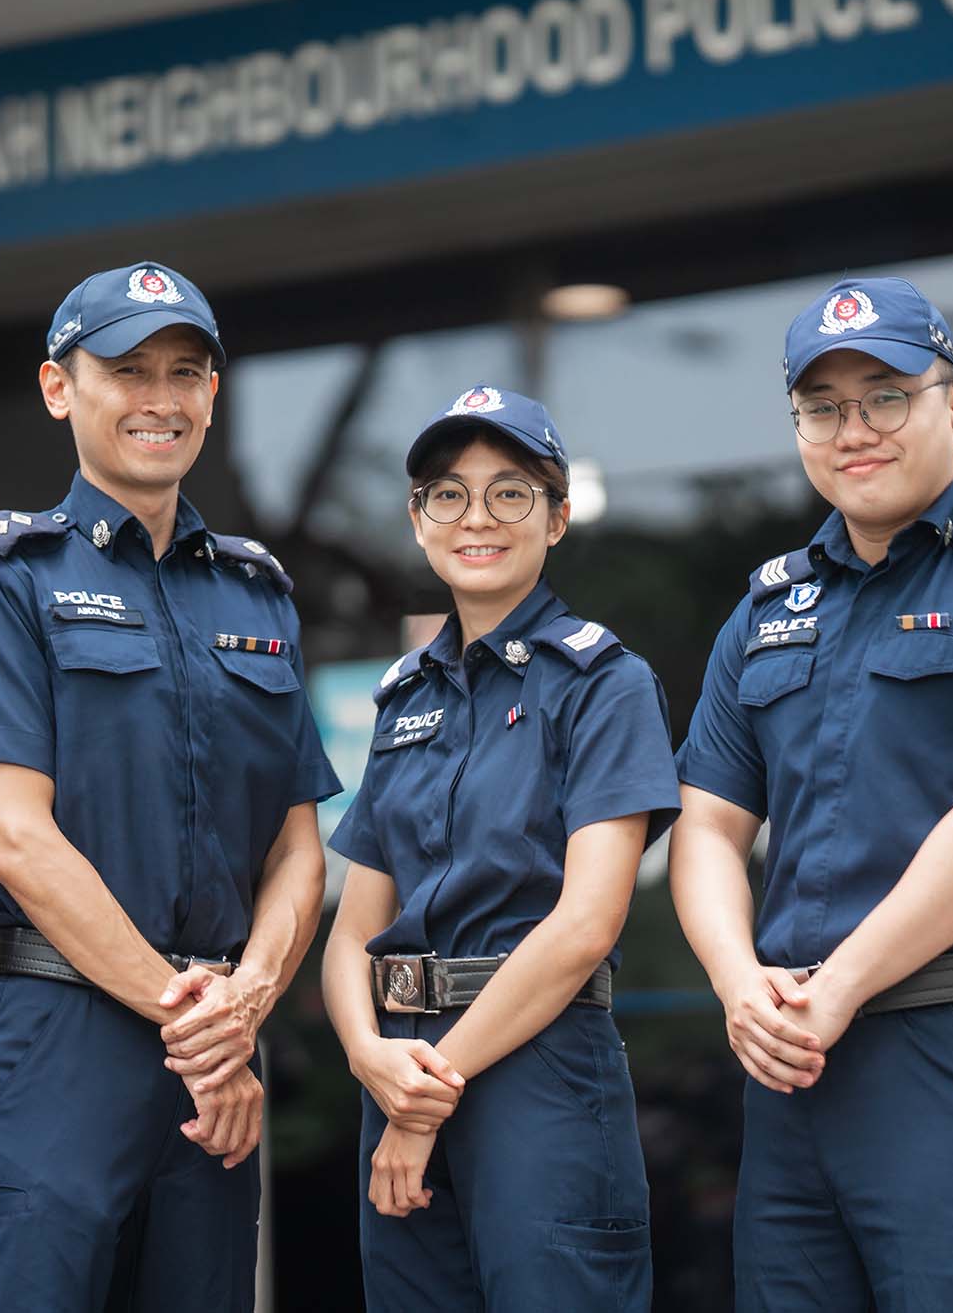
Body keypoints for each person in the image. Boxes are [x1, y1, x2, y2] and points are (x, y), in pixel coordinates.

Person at [671, 276, 953, 1310]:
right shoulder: (762, 614)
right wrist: (740, 983)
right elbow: (704, 825)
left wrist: (829, 990)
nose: (853, 430)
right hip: (793, 1064)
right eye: (823, 406)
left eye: (885, 395)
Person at [0, 261, 342, 1311]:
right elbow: (16, 838)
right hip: (61, 1038)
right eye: (127, 370)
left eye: (185, 371)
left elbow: (296, 843)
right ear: (59, 387)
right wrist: (197, 1019)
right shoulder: (7, 572)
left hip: (213, 1060)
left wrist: (246, 996)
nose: (160, 397)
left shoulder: (258, 591)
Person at [320, 385, 679, 1310]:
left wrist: (426, 1095)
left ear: (557, 518)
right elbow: (354, 927)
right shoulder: (405, 697)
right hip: (396, 1064)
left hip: (535, 1068)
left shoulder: (604, 682)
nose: (477, 517)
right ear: (418, 518)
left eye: (511, 493)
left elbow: (586, 924)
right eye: (449, 493)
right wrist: (370, 1058)